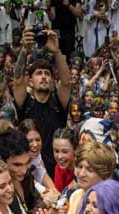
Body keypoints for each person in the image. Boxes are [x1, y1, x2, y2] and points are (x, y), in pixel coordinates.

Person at [12, 29, 72, 176]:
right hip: (30, 171)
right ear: (31, 82)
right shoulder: (25, 104)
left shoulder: (58, 104)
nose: (44, 77)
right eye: (39, 73)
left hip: (59, 168)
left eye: (47, 74)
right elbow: (17, 81)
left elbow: (66, 83)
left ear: (52, 80)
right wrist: (25, 49)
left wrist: (57, 52)